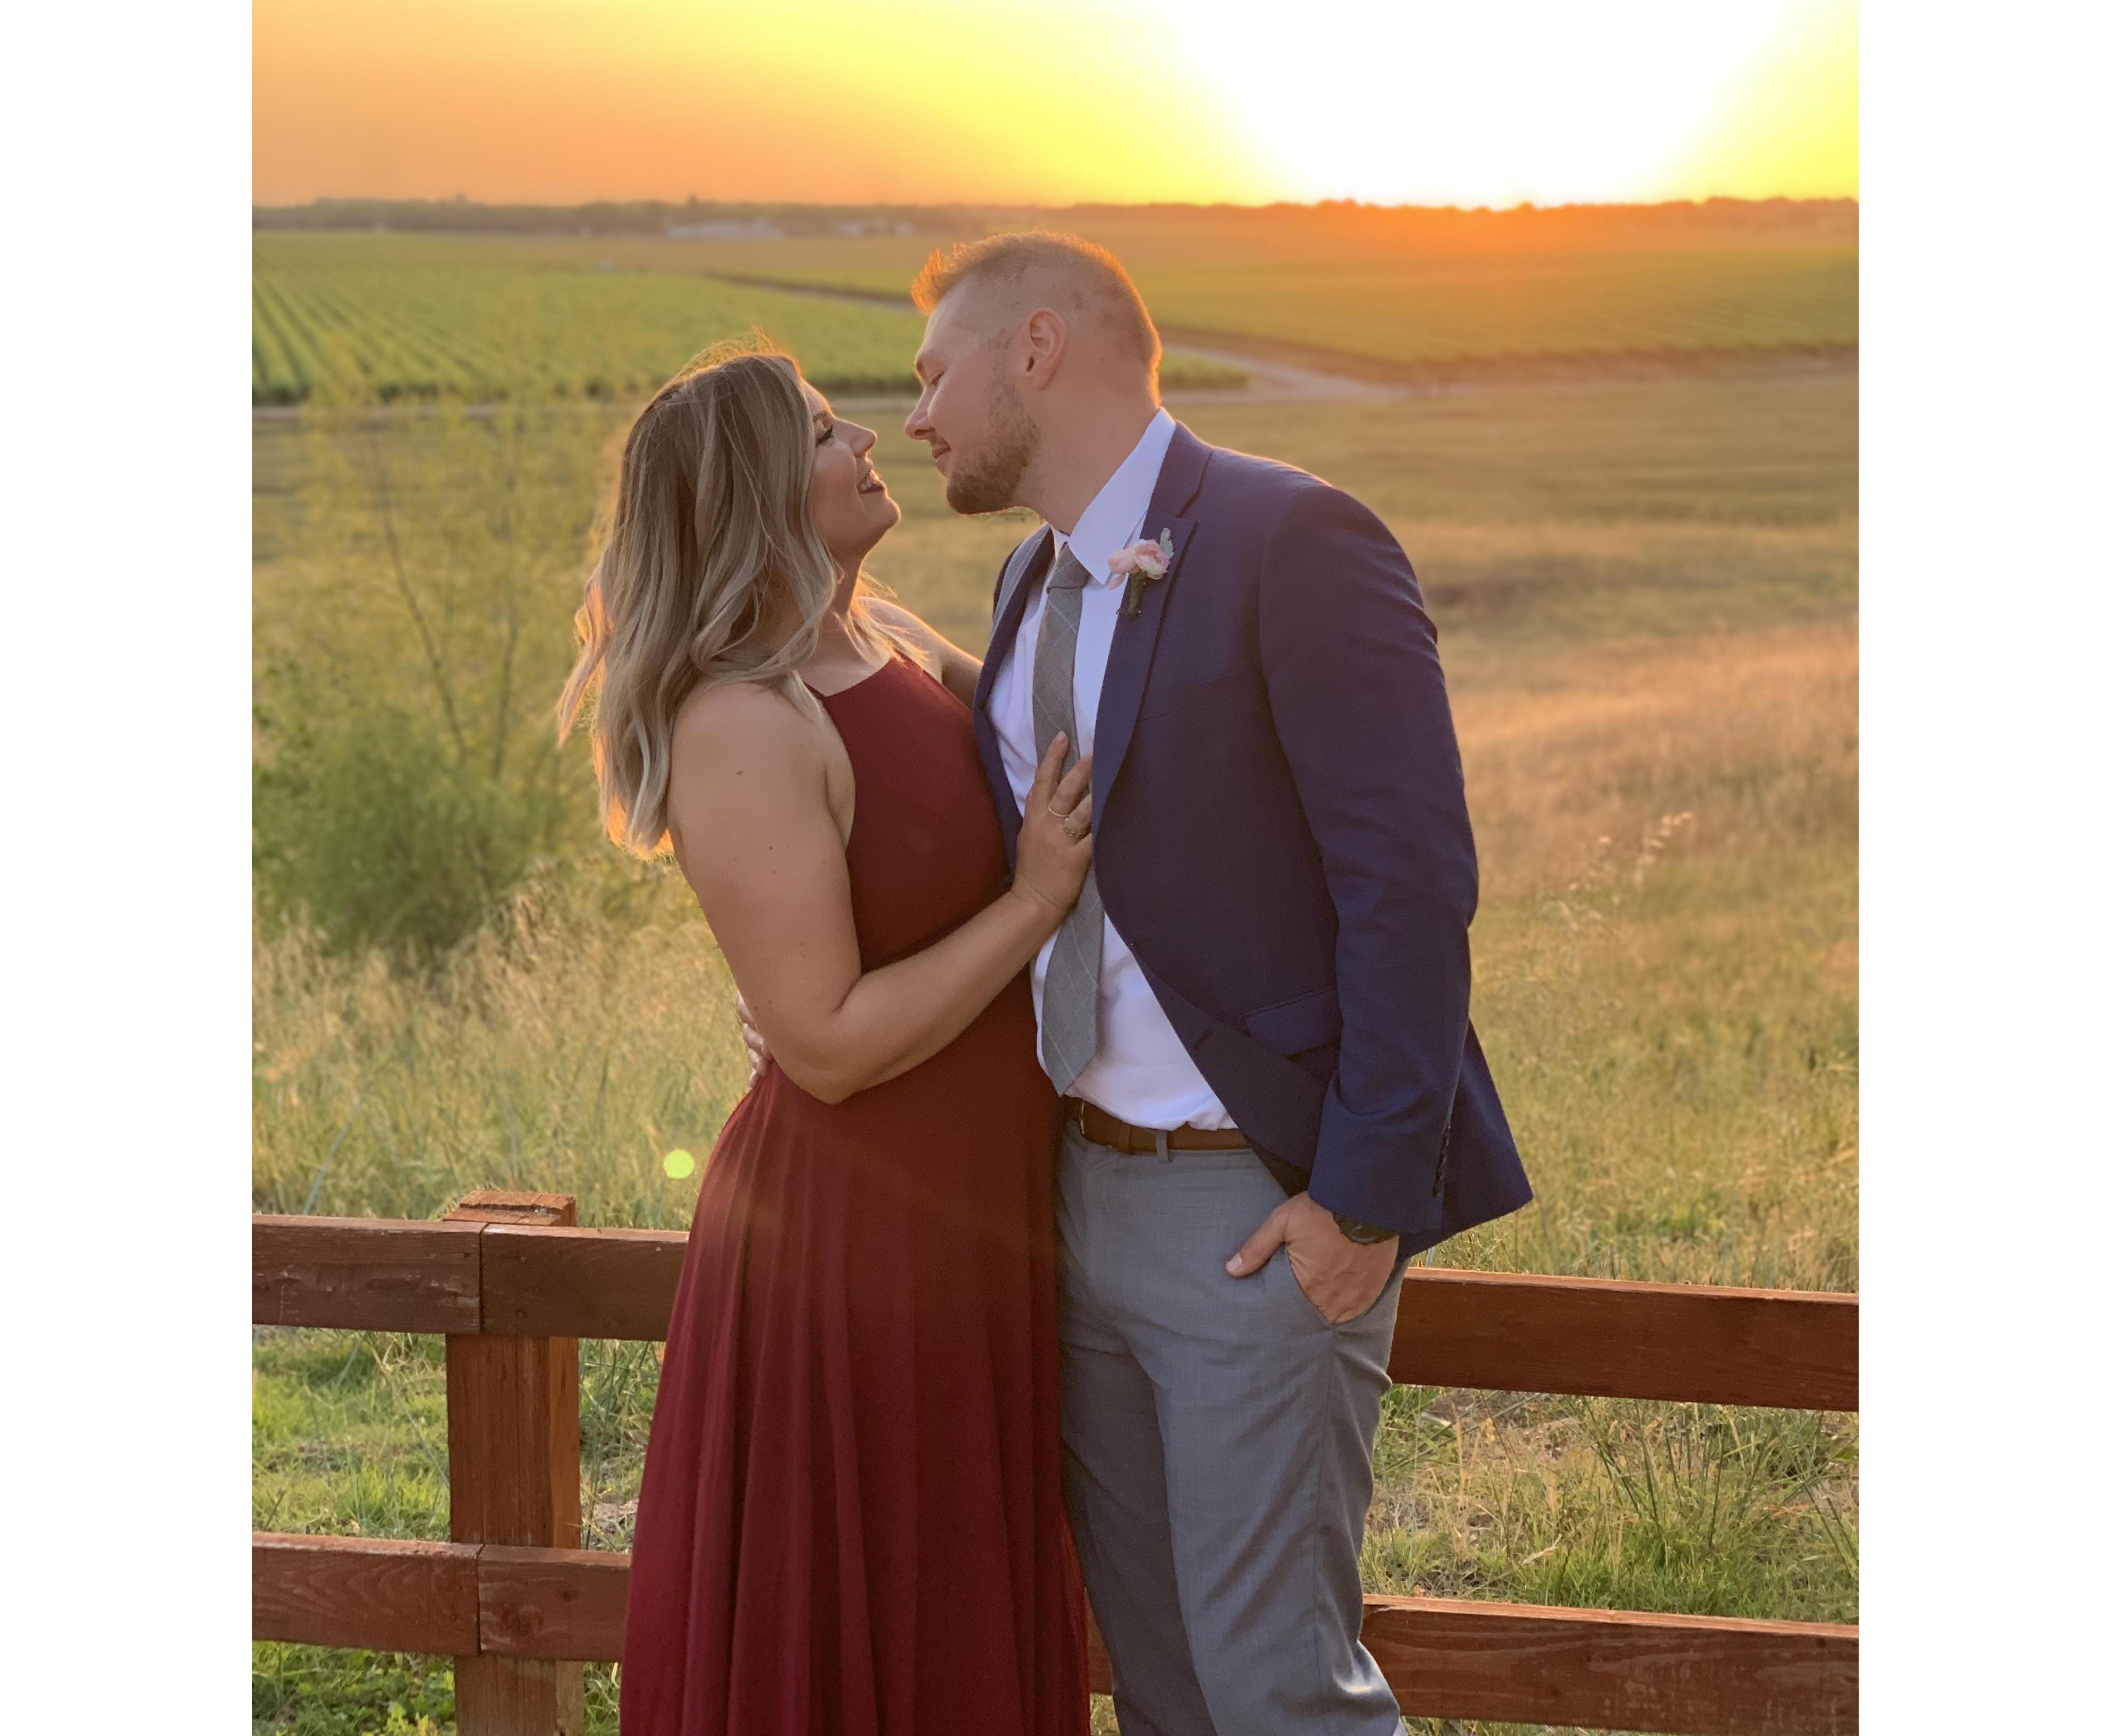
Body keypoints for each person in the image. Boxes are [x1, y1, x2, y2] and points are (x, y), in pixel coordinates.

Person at [896, 232, 1534, 1735]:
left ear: (1036, 348)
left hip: (1253, 1206)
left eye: (933, 375)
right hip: (1075, 1193)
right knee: (1162, 1681)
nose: (915, 416)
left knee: (1277, 1691)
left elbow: (1409, 883)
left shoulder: (1291, 536)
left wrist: (1360, 1200)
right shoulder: (1026, 578)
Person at [558, 342, 1093, 1736]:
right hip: (858, 1247)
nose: (867, 438)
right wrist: (1034, 904)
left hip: (977, 1218)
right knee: (868, 1632)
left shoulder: (888, 639)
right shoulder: (742, 721)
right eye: (817, 433)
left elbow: (1076, 730)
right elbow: (832, 1045)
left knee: (952, 1612)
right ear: (755, 494)